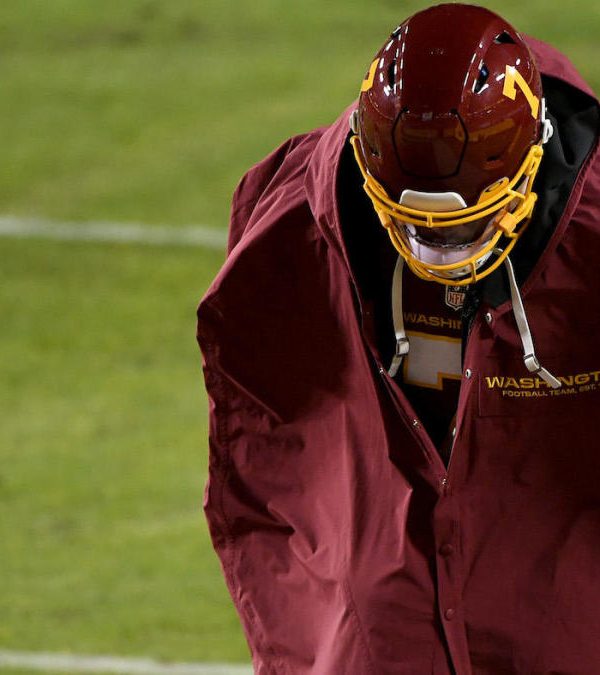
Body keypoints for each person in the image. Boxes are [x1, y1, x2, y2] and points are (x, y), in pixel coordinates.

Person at [196, 4, 600, 673]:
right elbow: (260, 415)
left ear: (530, 166)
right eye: (412, 225)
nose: (439, 250)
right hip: (392, 609)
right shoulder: (298, 214)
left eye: (467, 225)